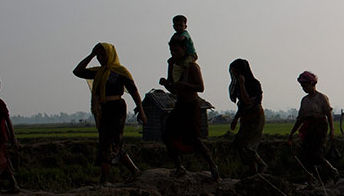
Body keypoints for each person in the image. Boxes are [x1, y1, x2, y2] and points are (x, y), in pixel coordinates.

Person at [74, 43, 146, 184]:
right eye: (98, 55)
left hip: (116, 109)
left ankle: (103, 181)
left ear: (111, 54)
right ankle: (135, 171)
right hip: (103, 111)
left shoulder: (120, 71)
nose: (100, 58)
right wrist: (91, 55)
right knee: (113, 143)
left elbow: (134, 91)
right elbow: (77, 71)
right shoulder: (98, 72)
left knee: (107, 144)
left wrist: (141, 111)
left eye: (103, 55)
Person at [160, 33, 220, 180]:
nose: (174, 54)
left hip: (192, 105)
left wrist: (185, 84)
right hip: (180, 105)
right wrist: (165, 84)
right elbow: (174, 89)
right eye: (172, 51)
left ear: (184, 50)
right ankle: (179, 167)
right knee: (167, 135)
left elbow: (200, 87)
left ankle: (212, 166)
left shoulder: (192, 67)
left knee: (194, 137)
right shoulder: (174, 67)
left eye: (176, 51)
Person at [288, 71, 336, 183]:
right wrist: (291, 133)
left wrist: (332, 130)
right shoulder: (304, 100)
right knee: (305, 156)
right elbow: (300, 119)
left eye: (305, 85)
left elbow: (329, 115)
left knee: (316, 155)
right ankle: (311, 180)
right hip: (308, 129)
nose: (304, 88)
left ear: (312, 84)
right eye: (302, 86)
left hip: (319, 129)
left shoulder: (321, 98)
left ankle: (332, 170)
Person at [228, 59, 268, 175]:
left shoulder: (254, 84)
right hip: (245, 118)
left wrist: (242, 84)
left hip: (255, 118)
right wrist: (235, 119)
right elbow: (241, 104)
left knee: (247, 146)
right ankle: (252, 169)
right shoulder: (238, 86)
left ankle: (261, 165)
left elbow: (248, 101)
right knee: (238, 144)